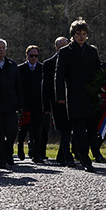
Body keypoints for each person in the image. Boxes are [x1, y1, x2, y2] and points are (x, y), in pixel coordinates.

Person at [55, 18, 101, 173]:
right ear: (73, 35)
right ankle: (85, 160)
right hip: (74, 97)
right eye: (78, 34)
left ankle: (82, 152)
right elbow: (59, 76)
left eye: (84, 33)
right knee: (79, 130)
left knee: (92, 130)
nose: (81, 36)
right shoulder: (65, 52)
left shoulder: (92, 51)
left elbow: (98, 72)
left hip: (91, 97)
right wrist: (60, 95)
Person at [0, 39, 23, 169]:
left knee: (12, 131)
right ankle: (1, 159)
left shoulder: (12, 65)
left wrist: (20, 104)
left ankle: (8, 153)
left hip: (10, 105)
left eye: (3, 47)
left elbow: (18, 86)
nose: (1, 50)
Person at [42, 37, 76, 168]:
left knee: (70, 130)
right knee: (64, 130)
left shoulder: (73, 59)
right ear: (55, 47)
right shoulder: (49, 63)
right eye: (59, 46)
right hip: (57, 102)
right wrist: (46, 107)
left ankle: (62, 155)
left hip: (71, 100)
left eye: (64, 46)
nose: (62, 48)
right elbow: (45, 87)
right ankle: (67, 157)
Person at [18, 45, 45, 163]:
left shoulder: (42, 68)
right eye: (31, 56)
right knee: (23, 129)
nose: (34, 58)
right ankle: (20, 147)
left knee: (37, 130)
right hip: (25, 103)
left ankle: (36, 153)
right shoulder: (20, 69)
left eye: (36, 56)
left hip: (38, 104)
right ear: (27, 56)